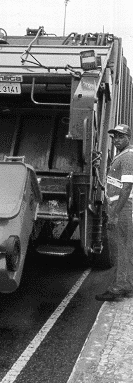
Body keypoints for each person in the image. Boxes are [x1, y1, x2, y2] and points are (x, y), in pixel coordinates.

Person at [95, 124, 133, 301]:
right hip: (121, 206)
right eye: (114, 137)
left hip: (123, 208)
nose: (116, 140)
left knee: (121, 248)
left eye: (120, 137)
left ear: (128, 138)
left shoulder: (128, 156)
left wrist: (115, 213)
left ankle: (119, 287)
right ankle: (128, 284)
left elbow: (126, 187)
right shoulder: (121, 155)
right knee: (126, 247)